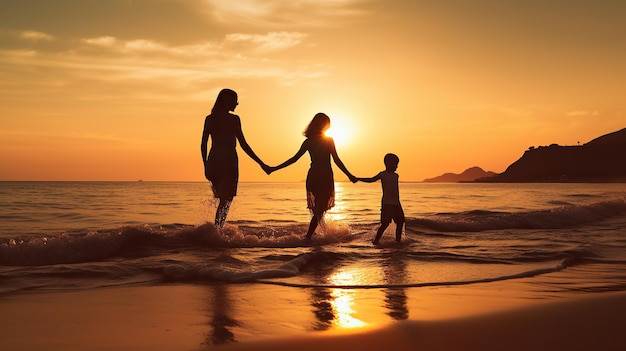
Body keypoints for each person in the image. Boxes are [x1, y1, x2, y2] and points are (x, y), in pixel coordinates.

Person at [268, 113, 357, 239]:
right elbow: (337, 160)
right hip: (325, 176)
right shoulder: (328, 140)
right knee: (320, 210)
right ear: (324, 125)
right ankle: (308, 237)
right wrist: (349, 175)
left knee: (318, 210)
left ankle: (319, 236)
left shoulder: (308, 142)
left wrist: (274, 168)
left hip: (313, 176)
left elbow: (294, 159)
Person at [201, 88, 270, 228]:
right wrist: (261, 163)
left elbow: (203, 144)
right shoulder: (234, 119)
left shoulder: (209, 119)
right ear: (227, 101)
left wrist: (206, 165)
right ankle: (217, 231)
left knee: (223, 199)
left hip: (213, 160)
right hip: (228, 161)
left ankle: (215, 231)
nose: (237, 104)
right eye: (235, 101)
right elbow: (243, 144)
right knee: (226, 200)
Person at [356, 153, 405, 245]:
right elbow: (371, 179)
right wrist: (358, 178)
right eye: (395, 164)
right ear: (388, 163)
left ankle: (398, 241)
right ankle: (376, 240)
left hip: (397, 204)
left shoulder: (396, 175)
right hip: (387, 204)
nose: (397, 166)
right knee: (385, 224)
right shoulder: (383, 174)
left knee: (400, 222)